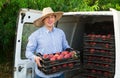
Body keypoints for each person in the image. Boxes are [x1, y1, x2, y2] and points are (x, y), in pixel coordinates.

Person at [25, 7, 70, 78]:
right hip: (43, 74)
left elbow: (65, 46)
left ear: (55, 19)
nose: (50, 19)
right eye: (47, 17)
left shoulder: (60, 33)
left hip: (59, 73)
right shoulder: (36, 35)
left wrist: (69, 50)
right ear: (43, 20)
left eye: (52, 17)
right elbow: (28, 52)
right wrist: (35, 58)